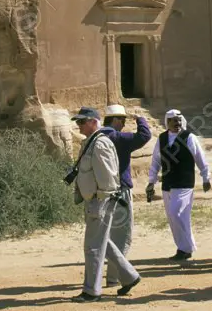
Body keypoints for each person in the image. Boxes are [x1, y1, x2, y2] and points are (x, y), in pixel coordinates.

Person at [69, 106, 141, 302]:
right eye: (78, 122)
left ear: (94, 121)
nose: (79, 126)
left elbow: (109, 177)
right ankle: (129, 276)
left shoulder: (100, 144)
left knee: (92, 247)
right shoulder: (91, 142)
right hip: (93, 200)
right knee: (102, 243)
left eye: (82, 122)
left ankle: (91, 291)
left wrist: (100, 201)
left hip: (99, 202)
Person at [146, 109, 211, 260]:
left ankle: (187, 248)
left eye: (179, 121)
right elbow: (156, 161)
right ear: (167, 122)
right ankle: (182, 248)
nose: (178, 124)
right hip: (167, 184)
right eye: (174, 121)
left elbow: (200, 158)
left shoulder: (189, 137)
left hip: (184, 183)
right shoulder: (161, 138)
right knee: (172, 217)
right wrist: (151, 181)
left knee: (178, 214)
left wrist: (205, 177)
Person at [98, 104, 152, 286]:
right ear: (114, 120)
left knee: (104, 235)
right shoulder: (117, 138)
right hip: (120, 192)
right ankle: (114, 277)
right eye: (122, 120)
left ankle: (99, 275)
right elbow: (144, 136)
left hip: (101, 194)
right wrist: (140, 119)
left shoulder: (97, 137)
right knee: (121, 236)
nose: (123, 124)